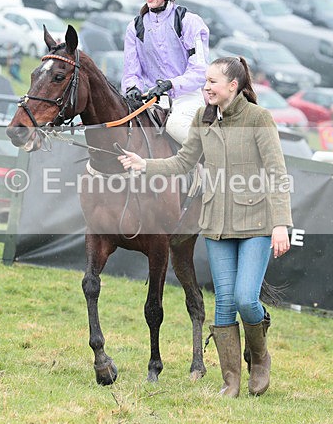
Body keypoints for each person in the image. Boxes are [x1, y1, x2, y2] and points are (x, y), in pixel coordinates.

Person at [118, 56, 293, 397]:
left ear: (233, 86)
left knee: (245, 298)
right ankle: (231, 382)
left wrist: (280, 224)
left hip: (255, 223)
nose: (206, 87)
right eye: (206, 81)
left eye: (212, 82)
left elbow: (276, 174)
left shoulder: (259, 119)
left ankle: (259, 356)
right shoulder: (202, 118)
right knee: (224, 303)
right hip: (215, 223)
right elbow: (183, 162)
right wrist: (145, 165)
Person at [122, 0, 210, 144]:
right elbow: (131, 72)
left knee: (175, 125)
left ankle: (214, 168)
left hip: (186, 99)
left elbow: (200, 71)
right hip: (152, 100)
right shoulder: (134, 27)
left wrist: (170, 84)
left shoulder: (189, 22)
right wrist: (132, 88)